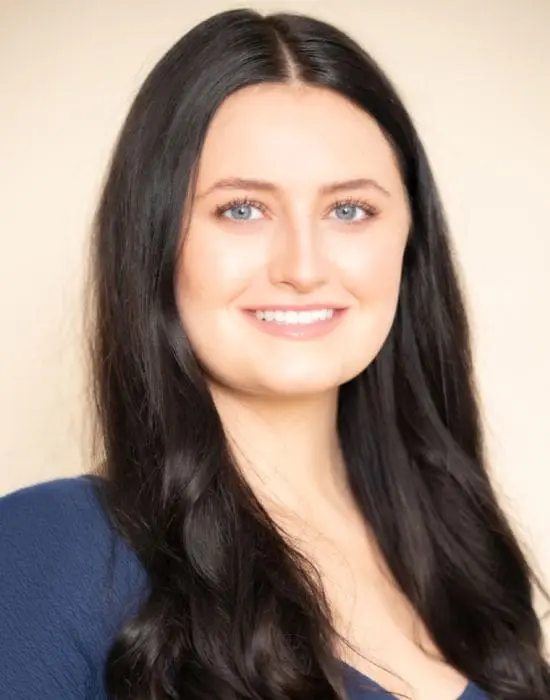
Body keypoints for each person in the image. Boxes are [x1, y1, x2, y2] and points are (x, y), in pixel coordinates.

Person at [0, 7, 548, 699]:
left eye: (349, 210)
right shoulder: (48, 552)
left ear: (410, 246)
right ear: (154, 240)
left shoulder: (460, 554)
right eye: (242, 209)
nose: (303, 265)